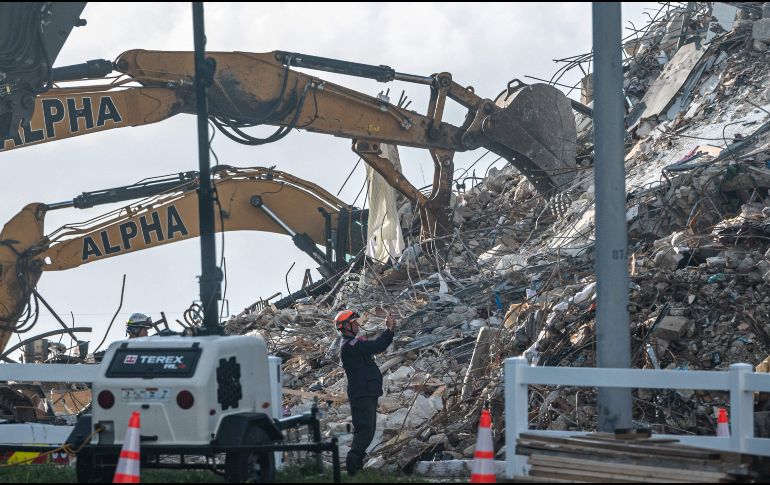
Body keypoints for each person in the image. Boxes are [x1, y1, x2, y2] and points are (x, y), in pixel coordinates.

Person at [335, 308, 396, 476]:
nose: (356, 325)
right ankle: (353, 469)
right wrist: (389, 329)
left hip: (365, 393)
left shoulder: (352, 344)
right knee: (365, 431)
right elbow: (377, 345)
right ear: (345, 326)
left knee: (367, 431)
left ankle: (356, 469)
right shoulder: (350, 345)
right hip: (362, 394)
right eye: (353, 322)